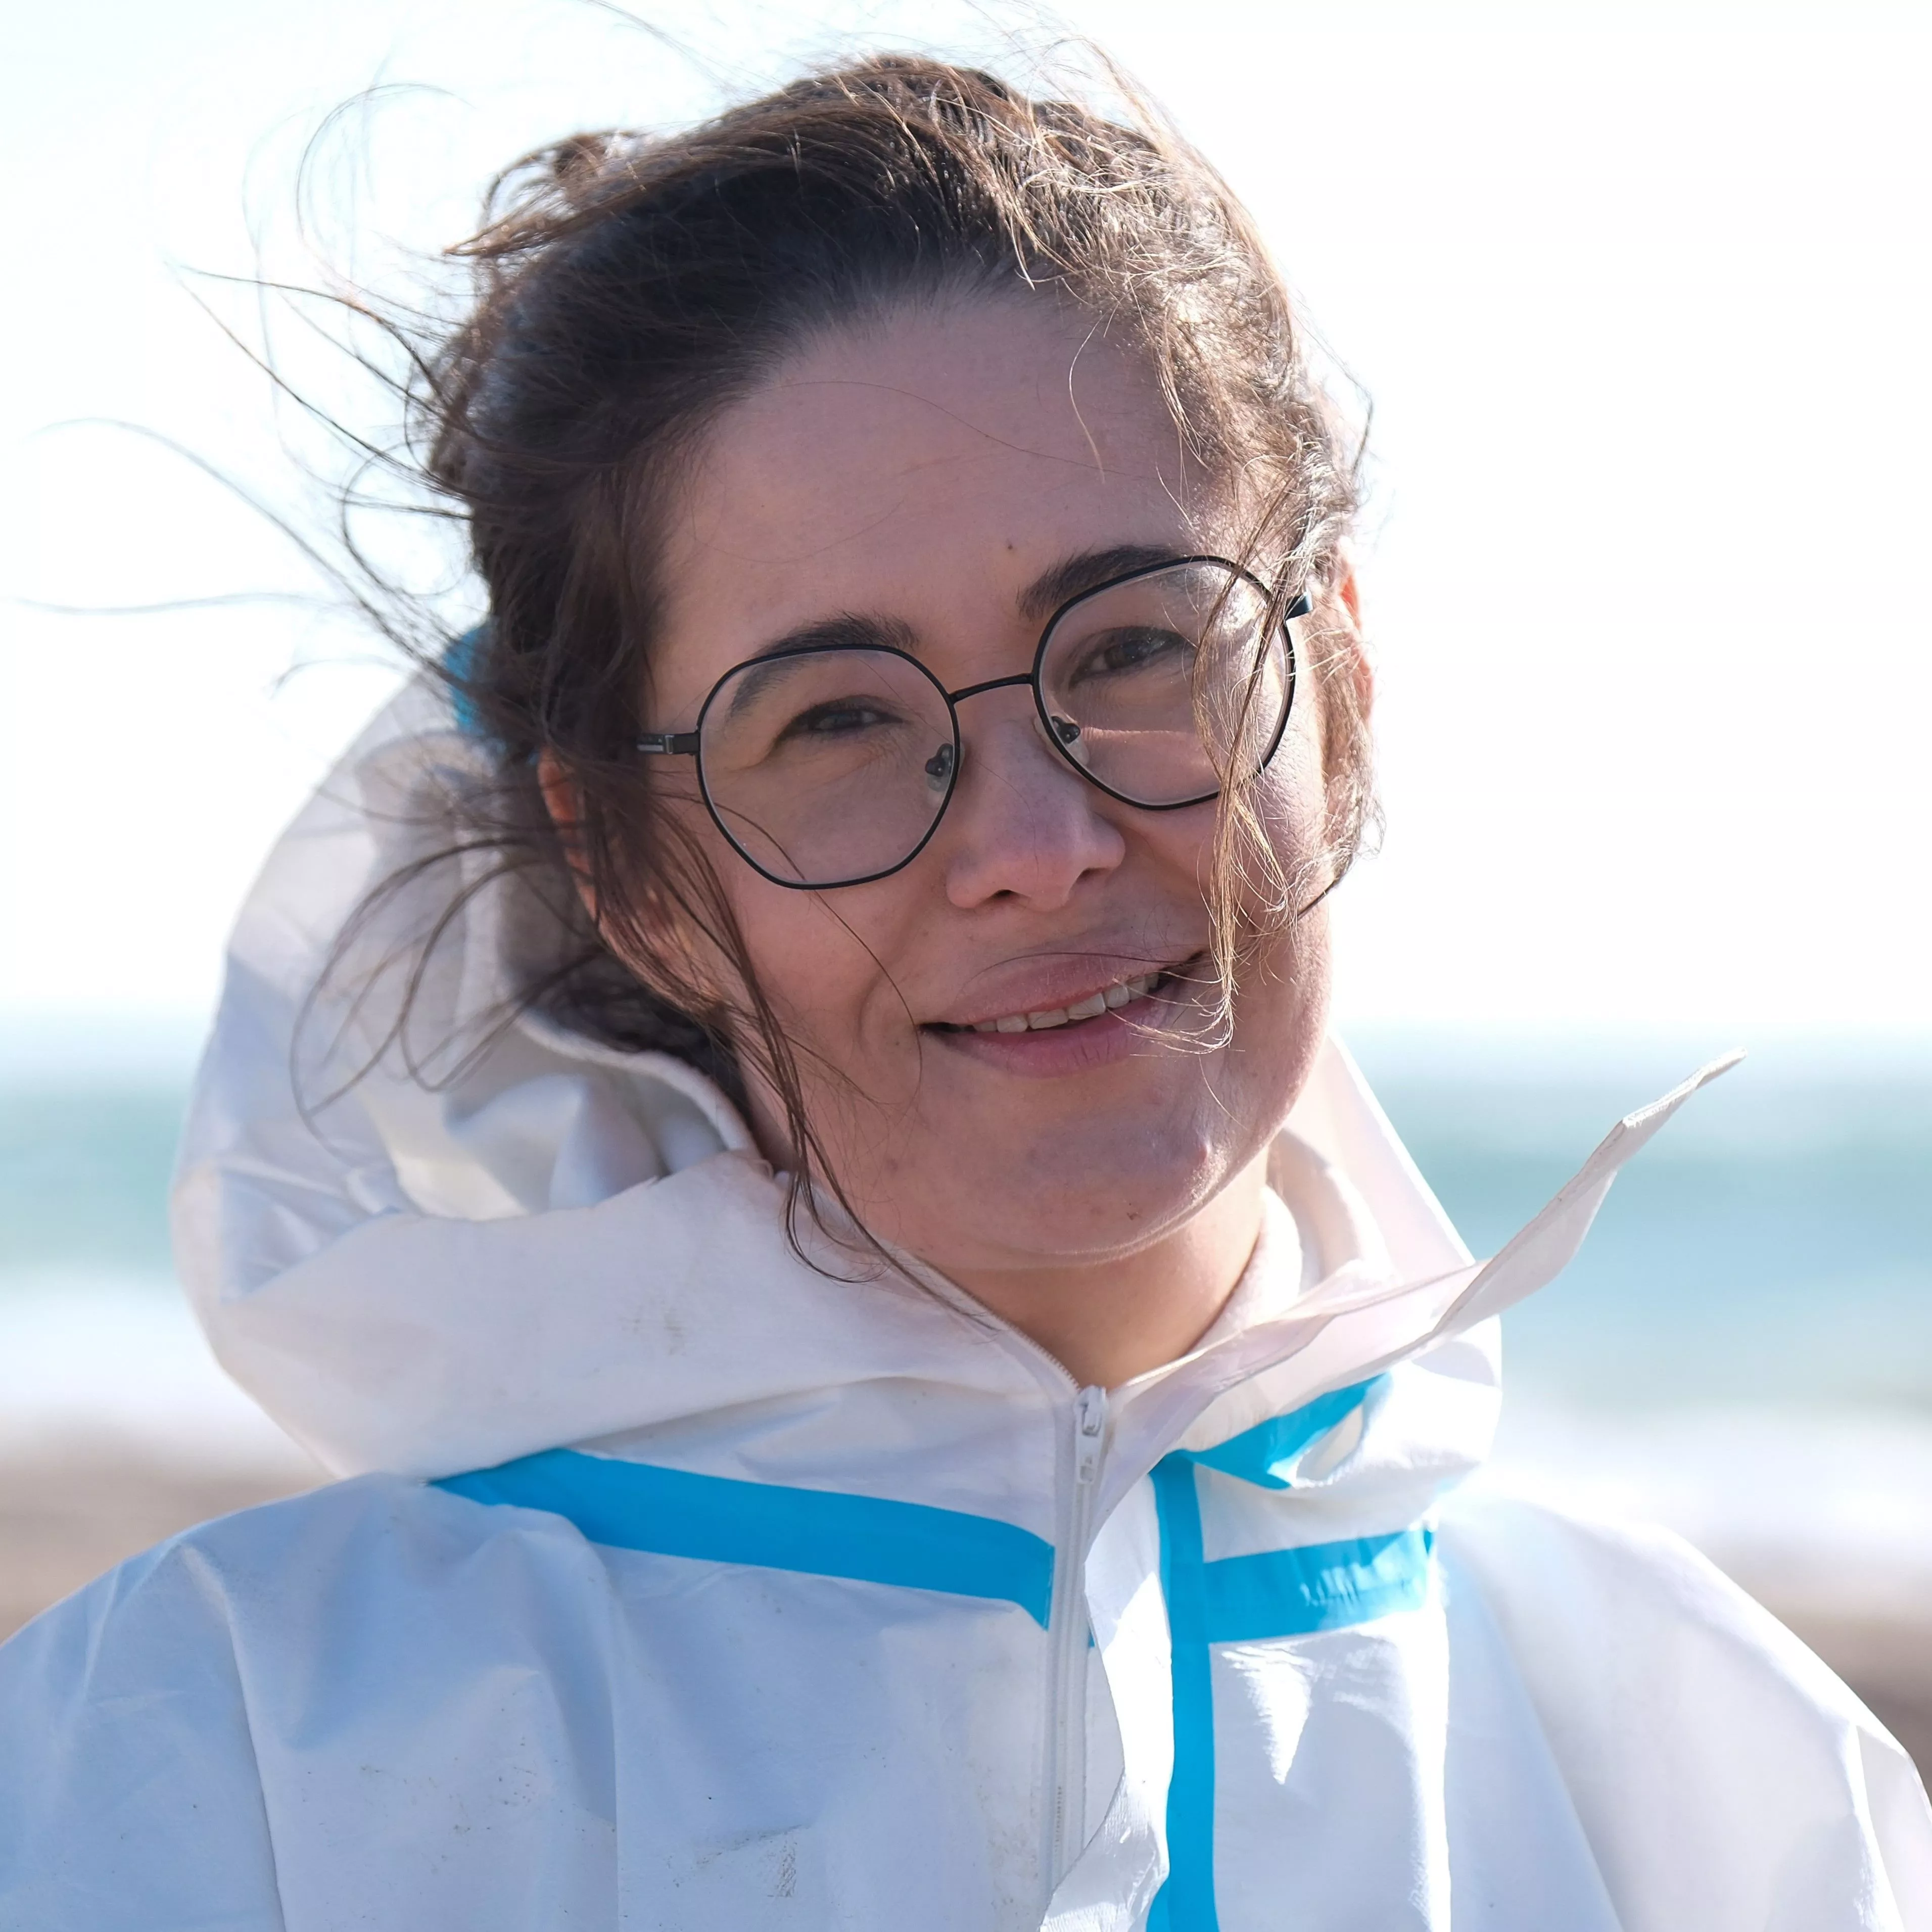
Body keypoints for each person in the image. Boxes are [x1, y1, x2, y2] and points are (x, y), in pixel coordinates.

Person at [2, 53, 1927, 1932]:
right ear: (629, 870)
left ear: (1332, 692)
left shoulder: (1726, 1783)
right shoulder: (205, 1750)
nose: (1034, 841)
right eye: (832, 717)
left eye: (1135, 645)